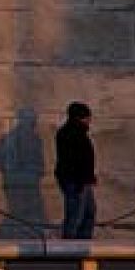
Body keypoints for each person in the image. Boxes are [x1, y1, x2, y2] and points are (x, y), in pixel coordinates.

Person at [54, 101, 97, 239]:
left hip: (84, 180)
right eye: (87, 117)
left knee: (89, 213)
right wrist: (81, 179)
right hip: (76, 181)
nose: (89, 120)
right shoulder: (69, 133)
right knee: (75, 215)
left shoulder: (80, 133)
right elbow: (73, 160)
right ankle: (71, 247)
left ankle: (83, 243)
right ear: (79, 117)